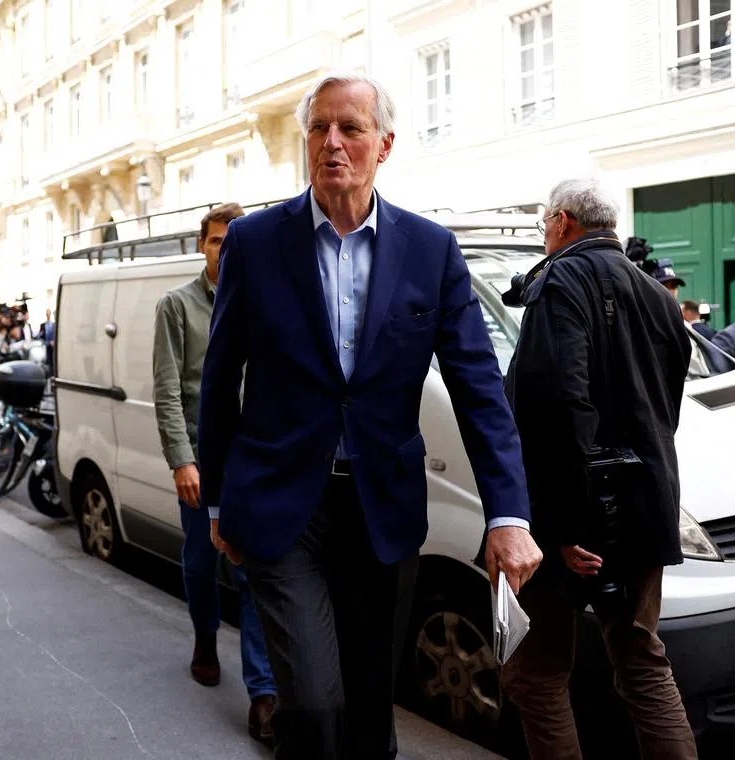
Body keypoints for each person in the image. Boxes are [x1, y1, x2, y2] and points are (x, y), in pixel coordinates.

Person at [197, 72, 542, 759]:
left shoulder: (430, 250)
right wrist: (217, 503)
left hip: (381, 508)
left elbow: (478, 387)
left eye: (350, 129)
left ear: (384, 144)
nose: (332, 144)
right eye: (319, 129)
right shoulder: (256, 242)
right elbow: (219, 380)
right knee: (316, 701)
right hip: (280, 507)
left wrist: (508, 513)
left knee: (366, 709)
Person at [502, 178, 697, 760]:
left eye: (543, 226)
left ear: (561, 221)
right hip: (644, 508)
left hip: (576, 520)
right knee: (642, 664)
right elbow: (664, 411)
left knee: (535, 675)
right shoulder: (661, 298)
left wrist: (563, 529)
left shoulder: (559, 280)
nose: (544, 236)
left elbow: (558, 405)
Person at [152, 203, 278, 745]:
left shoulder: (265, 301)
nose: (225, 251)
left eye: (233, 241)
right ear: (201, 246)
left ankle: (263, 693)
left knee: (254, 574)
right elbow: (166, 389)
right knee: (202, 563)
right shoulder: (176, 306)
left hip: (256, 461)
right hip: (203, 462)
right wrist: (182, 458)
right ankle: (205, 635)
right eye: (216, 242)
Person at [37, 308, 56, 375]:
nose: (48, 314)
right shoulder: (43, 325)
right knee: (47, 361)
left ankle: (53, 373)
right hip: (46, 345)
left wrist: (53, 342)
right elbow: (40, 336)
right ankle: (49, 374)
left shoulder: (53, 324)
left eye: (49, 313)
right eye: (47, 313)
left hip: (53, 345)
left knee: (53, 360)